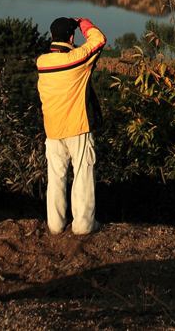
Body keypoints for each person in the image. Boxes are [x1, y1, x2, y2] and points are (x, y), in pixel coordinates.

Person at [36, 16, 106, 235]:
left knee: (56, 177)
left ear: (51, 37)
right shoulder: (76, 60)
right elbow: (99, 40)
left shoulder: (42, 62)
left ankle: (55, 225)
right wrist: (83, 22)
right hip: (78, 127)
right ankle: (83, 225)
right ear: (71, 37)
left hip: (53, 130)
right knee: (83, 175)